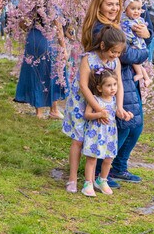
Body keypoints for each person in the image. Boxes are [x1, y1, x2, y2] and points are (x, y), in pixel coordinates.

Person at [85, 0, 149, 188]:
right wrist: (145, 47)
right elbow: (128, 54)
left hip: (123, 79)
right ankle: (102, 170)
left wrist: (146, 36)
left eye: (116, 4)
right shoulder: (101, 29)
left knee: (134, 125)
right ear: (100, 6)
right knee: (124, 126)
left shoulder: (116, 25)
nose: (114, 8)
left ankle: (117, 166)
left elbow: (129, 49)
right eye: (109, 4)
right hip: (112, 82)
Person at [62, 25, 129, 193]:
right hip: (82, 102)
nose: (115, 55)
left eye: (119, 53)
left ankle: (92, 180)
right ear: (102, 46)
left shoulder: (115, 62)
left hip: (104, 105)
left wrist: (119, 107)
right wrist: (98, 109)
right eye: (113, 51)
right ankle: (72, 178)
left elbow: (119, 84)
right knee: (78, 139)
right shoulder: (88, 59)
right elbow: (84, 86)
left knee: (97, 137)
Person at [14, 0, 68, 119]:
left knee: (36, 75)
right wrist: (63, 48)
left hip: (33, 39)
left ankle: (39, 112)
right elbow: (59, 28)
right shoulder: (52, 6)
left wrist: (33, 28)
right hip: (48, 41)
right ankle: (53, 110)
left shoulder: (31, 7)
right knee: (52, 74)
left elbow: (22, 24)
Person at [81, 67, 119, 197]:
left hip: (110, 134)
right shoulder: (95, 99)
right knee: (92, 159)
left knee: (109, 159)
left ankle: (102, 180)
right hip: (96, 133)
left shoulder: (114, 100)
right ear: (99, 88)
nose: (113, 88)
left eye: (115, 84)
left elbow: (115, 114)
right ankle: (88, 183)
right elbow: (87, 115)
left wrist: (125, 115)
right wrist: (98, 114)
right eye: (109, 85)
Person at [120, 0, 152, 87]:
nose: (136, 11)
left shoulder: (138, 20)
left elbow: (141, 28)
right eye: (133, 9)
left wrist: (146, 32)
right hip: (132, 43)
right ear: (125, 9)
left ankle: (141, 74)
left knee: (135, 60)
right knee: (137, 62)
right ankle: (146, 78)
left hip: (136, 43)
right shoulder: (125, 18)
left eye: (139, 9)